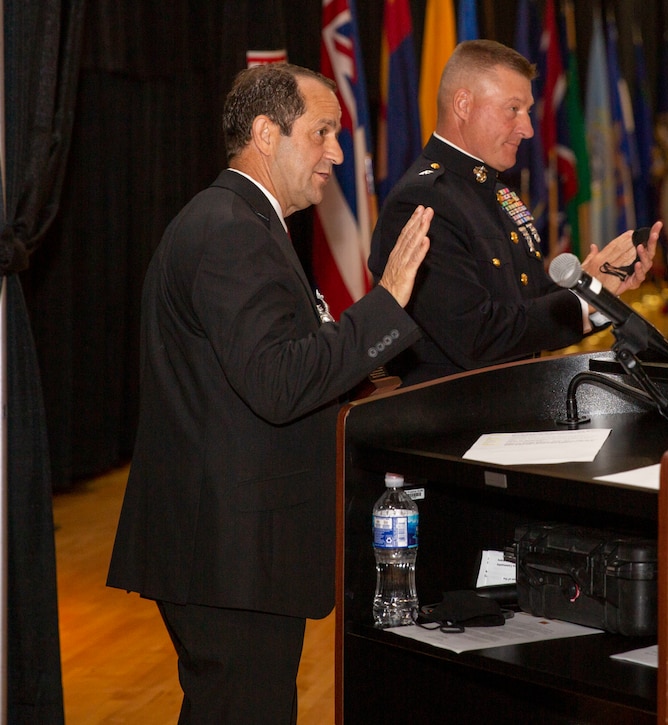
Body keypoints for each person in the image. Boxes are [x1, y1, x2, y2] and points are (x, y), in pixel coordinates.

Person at [107, 63, 433, 723]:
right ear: (265, 133)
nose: (338, 153)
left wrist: (364, 378)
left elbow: (259, 370)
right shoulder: (231, 228)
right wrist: (385, 304)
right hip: (230, 557)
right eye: (322, 133)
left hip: (235, 551)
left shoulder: (242, 221)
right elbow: (277, 382)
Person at [368, 39, 658, 386]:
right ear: (463, 104)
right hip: (454, 424)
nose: (528, 129)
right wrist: (580, 299)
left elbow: (529, 304)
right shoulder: (422, 201)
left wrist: (598, 291)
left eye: (528, 111)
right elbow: (476, 336)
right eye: (512, 109)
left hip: (511, 406)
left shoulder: (498, 191)